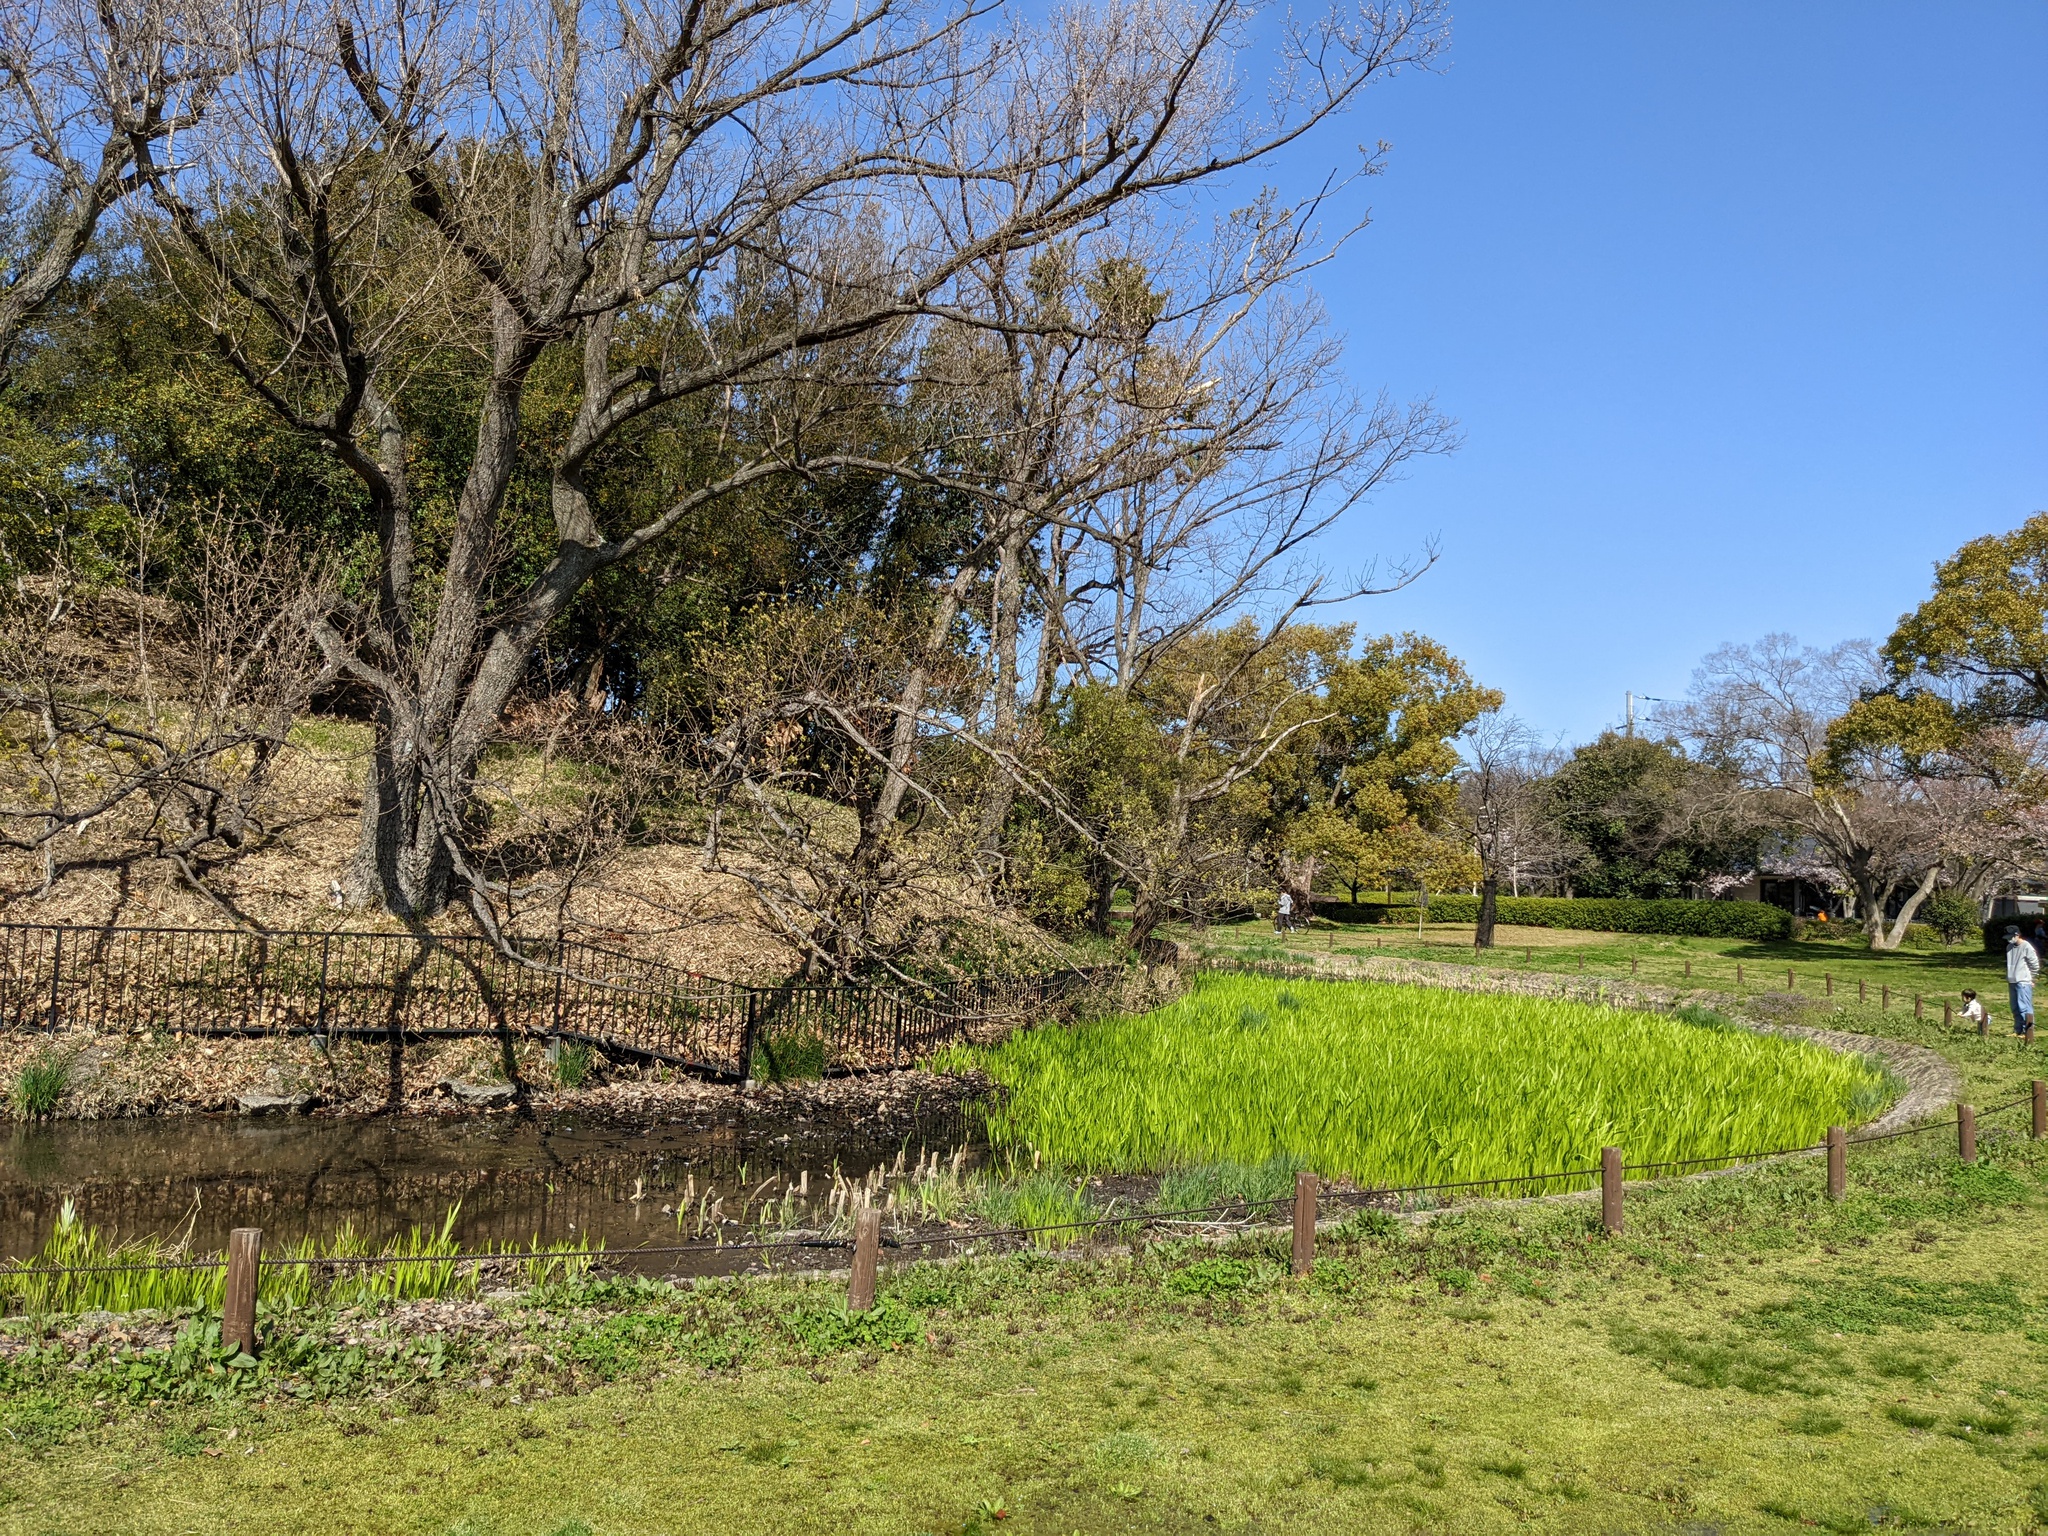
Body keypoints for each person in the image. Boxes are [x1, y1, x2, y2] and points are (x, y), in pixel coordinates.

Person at [2006, 924, 2038, 1042]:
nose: (2009, 939)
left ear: (2017, 934)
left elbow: (2034, 964)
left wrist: (2032, 979)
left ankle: (2027, 1031)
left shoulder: (2026, 946)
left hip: (2023, 981)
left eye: (2011, 936)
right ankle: (2017, 1030)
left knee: (2024, 1007)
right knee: (2015, 1007)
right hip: (2012, 981)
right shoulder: (2009, 947)